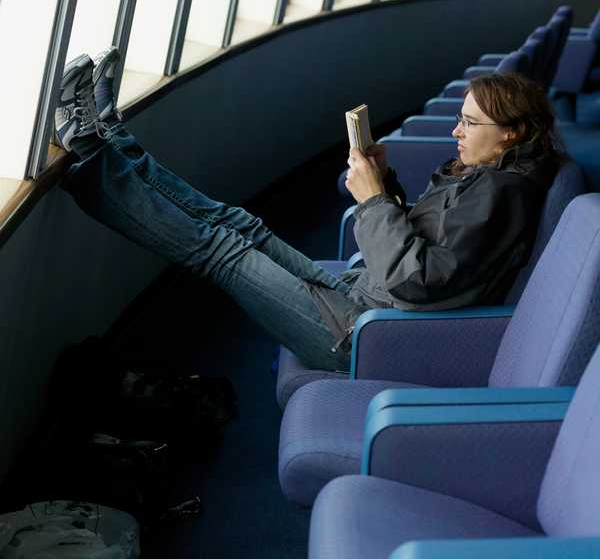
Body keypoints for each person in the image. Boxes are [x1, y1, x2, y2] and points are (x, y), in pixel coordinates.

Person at [57, 49, 563, 372]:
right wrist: (385, 184)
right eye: (460, 119)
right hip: (365, 297)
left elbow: (420, 278)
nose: (457, 132)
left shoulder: (502, 193)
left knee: (222, 248)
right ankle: (113, 140)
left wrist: (373, 201)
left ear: (512, 133)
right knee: (241, 225)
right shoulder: (494, 176)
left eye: (470, 124)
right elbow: (438, 246)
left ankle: (95, 157)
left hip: (362, 332)